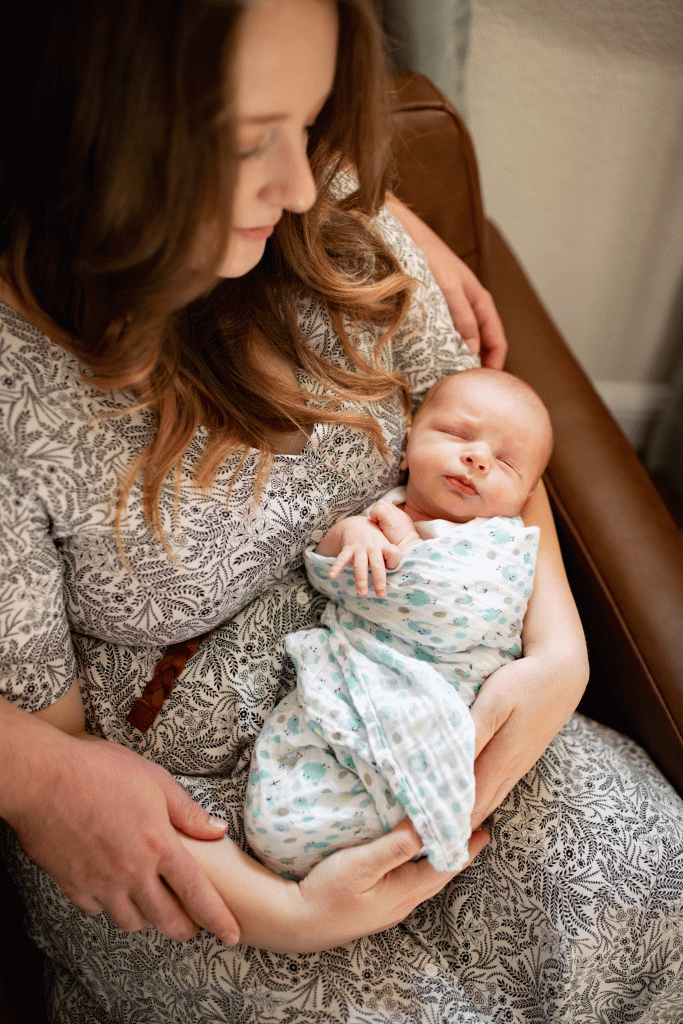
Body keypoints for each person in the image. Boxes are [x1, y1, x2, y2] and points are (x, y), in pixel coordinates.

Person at [0, 1, 681, 1021]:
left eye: (307, 121)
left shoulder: (326, 204)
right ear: (88, 132)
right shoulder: (20, 394)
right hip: (199, 806)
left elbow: (493, 451)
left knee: (650, 876)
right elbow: (67, 765)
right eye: (246, 142)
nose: (301, 182)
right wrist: (294, 912)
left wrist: (556, 655)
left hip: (430, 668)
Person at [244, 368, 553, 879]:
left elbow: (471, 612)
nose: (477, 457)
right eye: (456, 434)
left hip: (449, 702)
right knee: (279, 825)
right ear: (407, 447)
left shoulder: (502, 543)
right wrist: (353, 537)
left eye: (504, 461)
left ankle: (398, 831)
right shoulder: (380, 514)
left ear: (525, 499)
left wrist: (409, 552)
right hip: (359, 680)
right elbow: (329, 572)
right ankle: (357, 844)